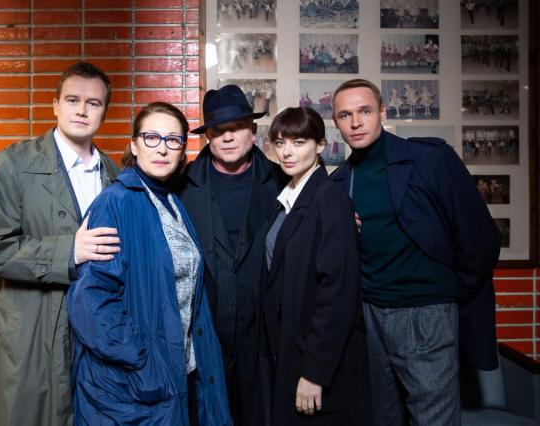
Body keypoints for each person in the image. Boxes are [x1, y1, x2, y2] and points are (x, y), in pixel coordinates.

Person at [330, 79, 500, 426]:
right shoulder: (339, 182)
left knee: (433, 419)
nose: (356, 122)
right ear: (336, 123)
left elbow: (480, 237)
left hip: (425, 312)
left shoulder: (429, 159)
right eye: (345, 115)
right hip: (369, 315)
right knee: (381, 418)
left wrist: (444, 293)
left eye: (365, 111)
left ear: (383, 112)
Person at [0, 62, 121, 426]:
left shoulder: (115, 175)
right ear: (55, 105)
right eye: (72, 100)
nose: (82, 110)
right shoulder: (14, 163)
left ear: (104, 112)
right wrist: (69, 251)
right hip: (29, 332)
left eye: (93, 103)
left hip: (94, 332)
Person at [68, 102, 231, 425]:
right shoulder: (115, 203)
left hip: (176, 373)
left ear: (182, 151)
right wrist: (143, 359)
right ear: (134, 145)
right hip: (131, 384)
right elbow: (90, 301)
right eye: (152, 137)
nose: (162, 148)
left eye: (173, 140)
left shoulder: (171, 201)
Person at [175, 84, 288, 425]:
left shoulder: (283, 181)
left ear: (252, 131)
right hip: (204, 335)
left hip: (264, 335)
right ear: (208, 137)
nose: (227, 137)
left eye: (236, 127)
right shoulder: (181, 186)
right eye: (217, 130)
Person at [257, 106, 370, 425]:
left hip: (315, 361)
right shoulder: (287, 196)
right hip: (288, 352)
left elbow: (337, 294)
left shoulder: (330, 198)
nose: (287, 152)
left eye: (298, 142)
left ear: (320, 144)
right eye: (280, 143)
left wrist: (314, 372)